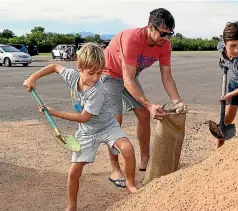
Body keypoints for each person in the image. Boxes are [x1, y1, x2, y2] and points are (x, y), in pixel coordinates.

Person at [23, 42, 138, 211]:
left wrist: (54, 112)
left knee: (127, 148)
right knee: (73, 173)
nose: (96, 78)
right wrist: (33, 78)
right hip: (87, 132)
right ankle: (72, 206)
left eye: (99, 73)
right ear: (79, 68)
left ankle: (130, 183)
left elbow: (84, 117)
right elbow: (54, 66)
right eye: (91, 73)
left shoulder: (98, 90)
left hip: (107, 126)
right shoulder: (71, 76)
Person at [101, 7, 187, 187]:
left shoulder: (165, 45)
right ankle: (115, 168)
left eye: (169, 34)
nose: (165, 39)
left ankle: (145, 160)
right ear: (150, 27)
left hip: (129, 77)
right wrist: (149, 104)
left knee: (143, 115)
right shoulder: (132, 39)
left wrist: (177, 101)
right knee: (114, 121)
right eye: (162, 33)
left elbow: (167, 76)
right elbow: (127, 80)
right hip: (109, 74)